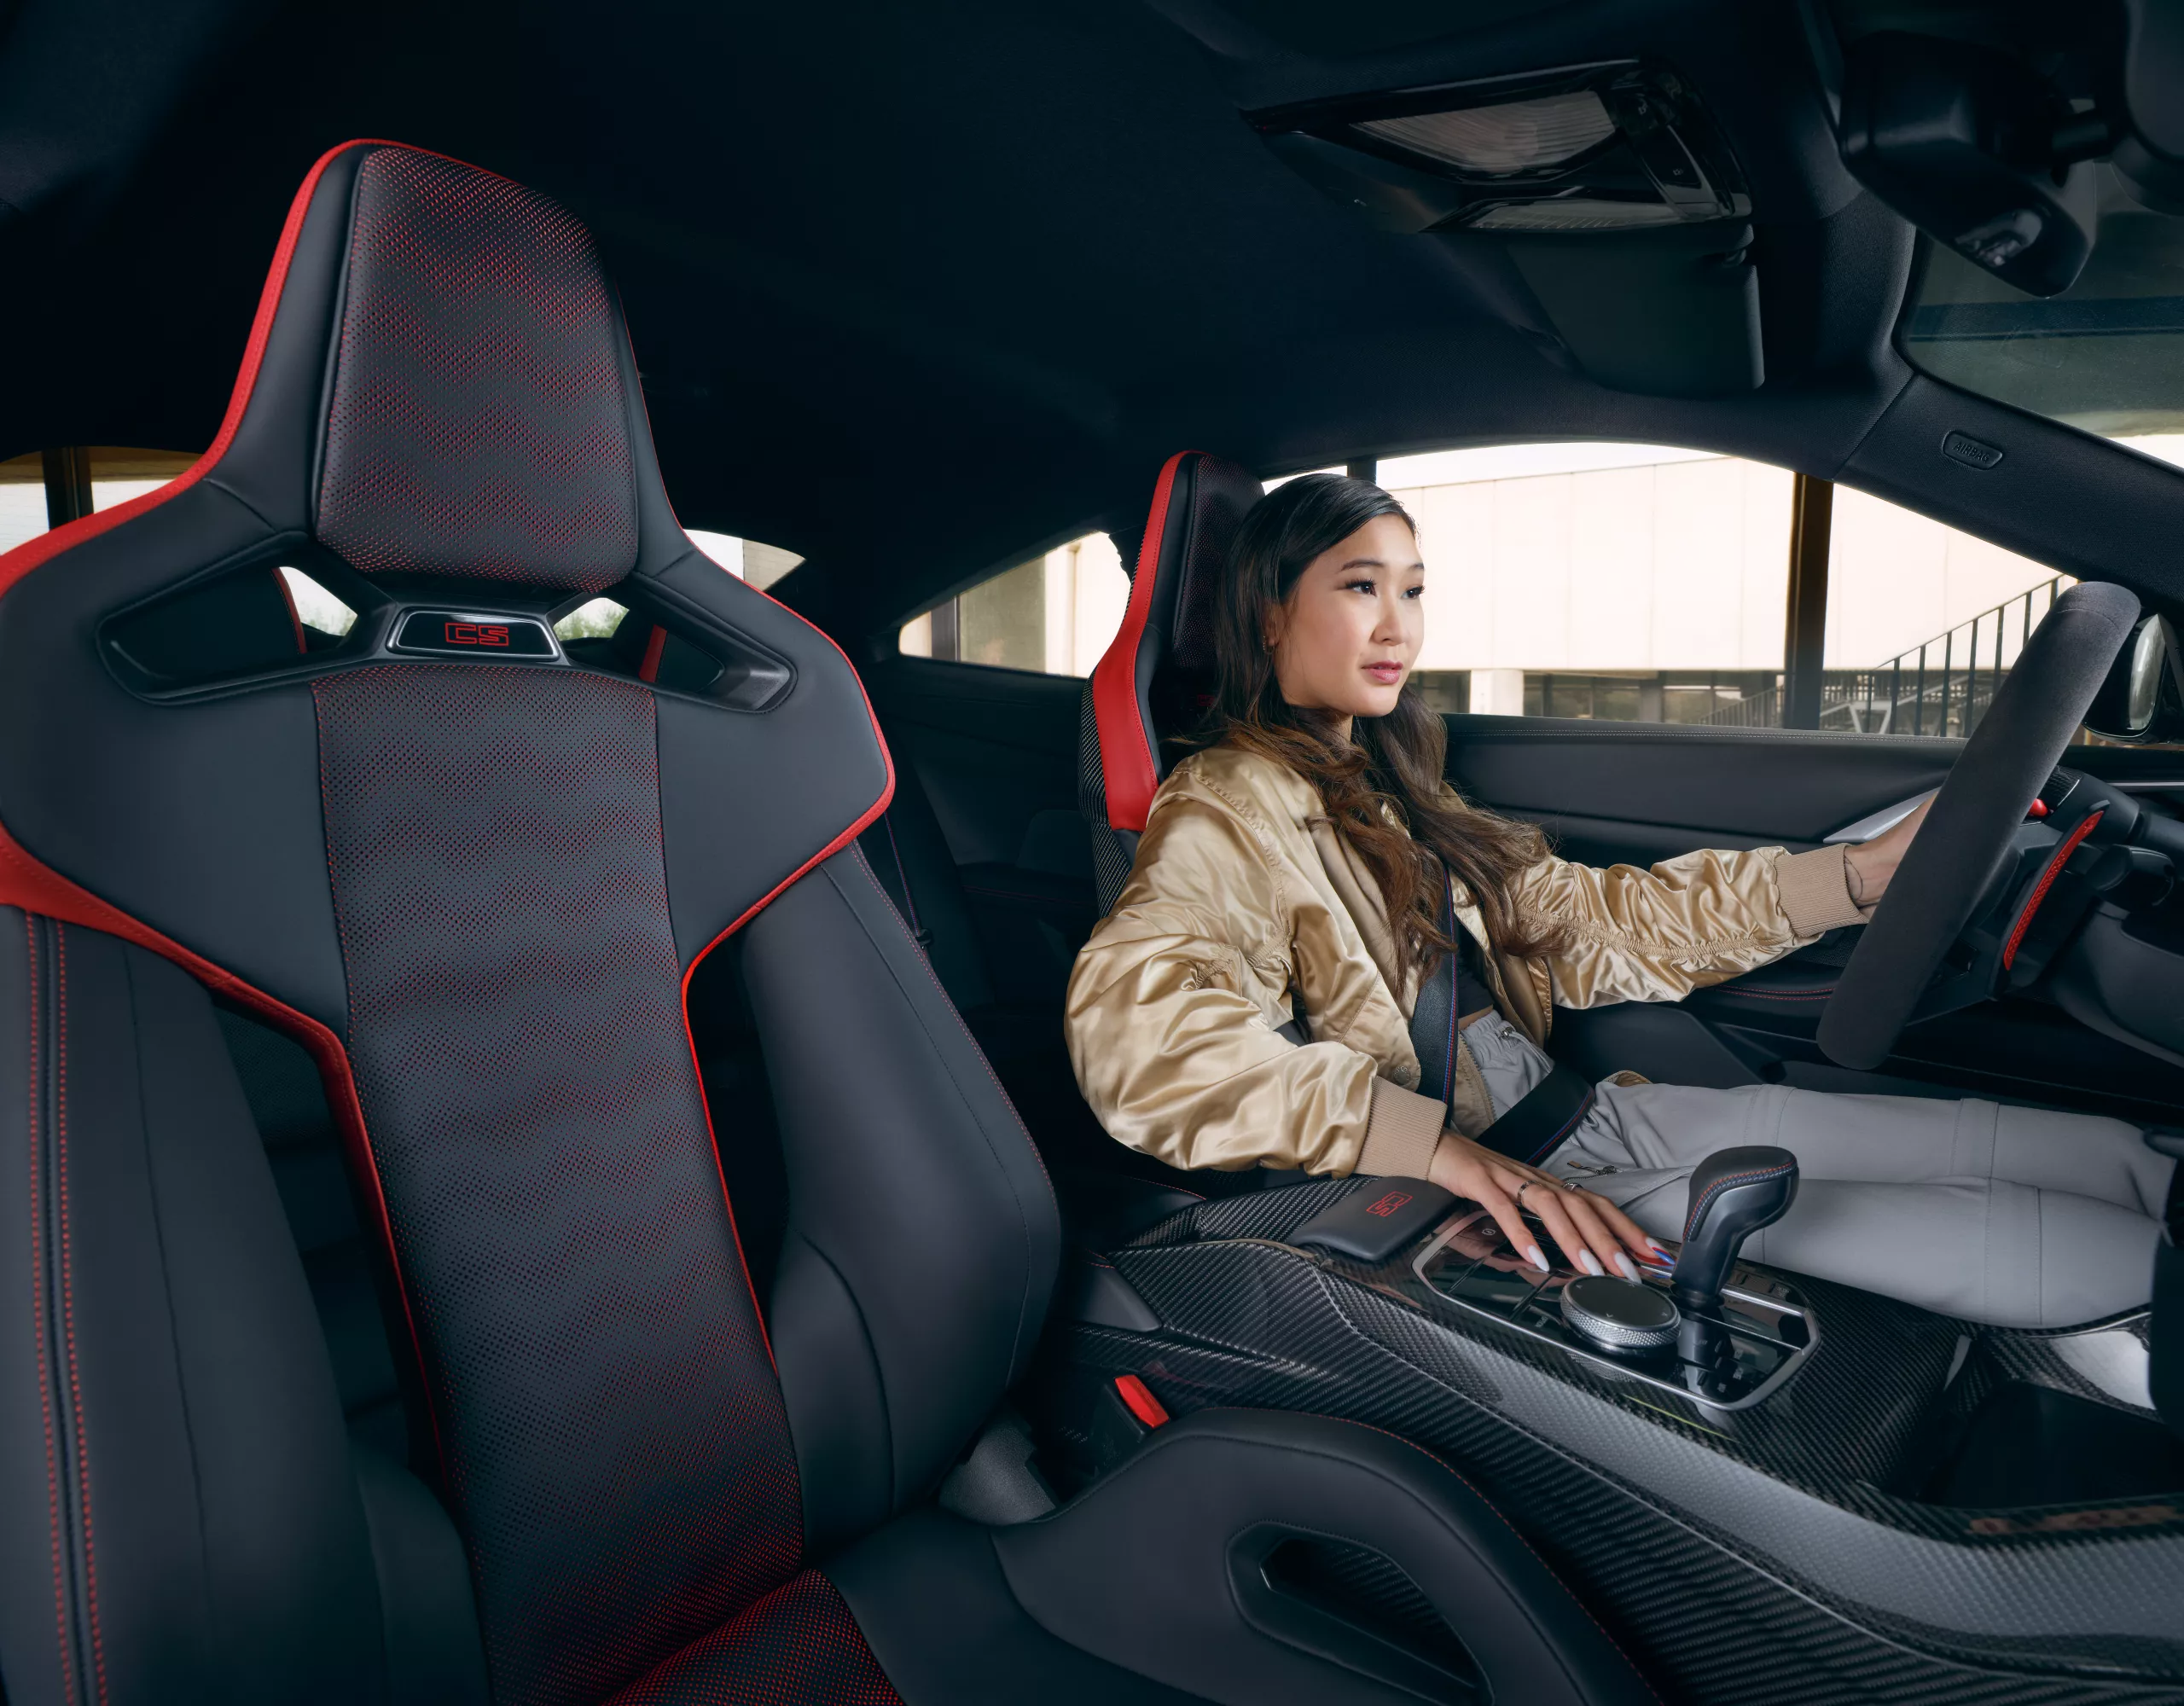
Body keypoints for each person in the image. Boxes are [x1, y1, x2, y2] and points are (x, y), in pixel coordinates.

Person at [1065, 474, 2175, 1328]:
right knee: (2071, 1251)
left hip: (1594, 1114)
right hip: (1497, 1186)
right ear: (1269, 615)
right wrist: (1437, 1151)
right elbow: (1143, 1045)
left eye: (1413, 589)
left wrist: (1854, 880)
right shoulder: (1230, 800)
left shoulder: (1391, 776)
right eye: (1360, 587)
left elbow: (1586, 924)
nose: (1399, 626)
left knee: (2111, 1156)